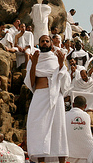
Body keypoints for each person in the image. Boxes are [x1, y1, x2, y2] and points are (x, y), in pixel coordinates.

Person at [24, 35, 70, 163]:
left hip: (56, 95)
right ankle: (41, 160)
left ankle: (61, 160)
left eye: (47, 41)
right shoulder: (34, 59)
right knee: (38, 126)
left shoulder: (56, 58)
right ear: (39, 44)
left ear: (51, 43)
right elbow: (31, 82)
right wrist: (33, 64)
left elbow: (65, 81)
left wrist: (61, 65)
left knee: (58, 127)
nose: (44, 43)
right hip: (40, 95)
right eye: (42, 41)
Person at [65, 96, 93, 163]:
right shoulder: (87, 116)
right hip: (85, 151)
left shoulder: (65, 115)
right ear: (85, 106)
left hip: (69, 152)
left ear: (73, 105)